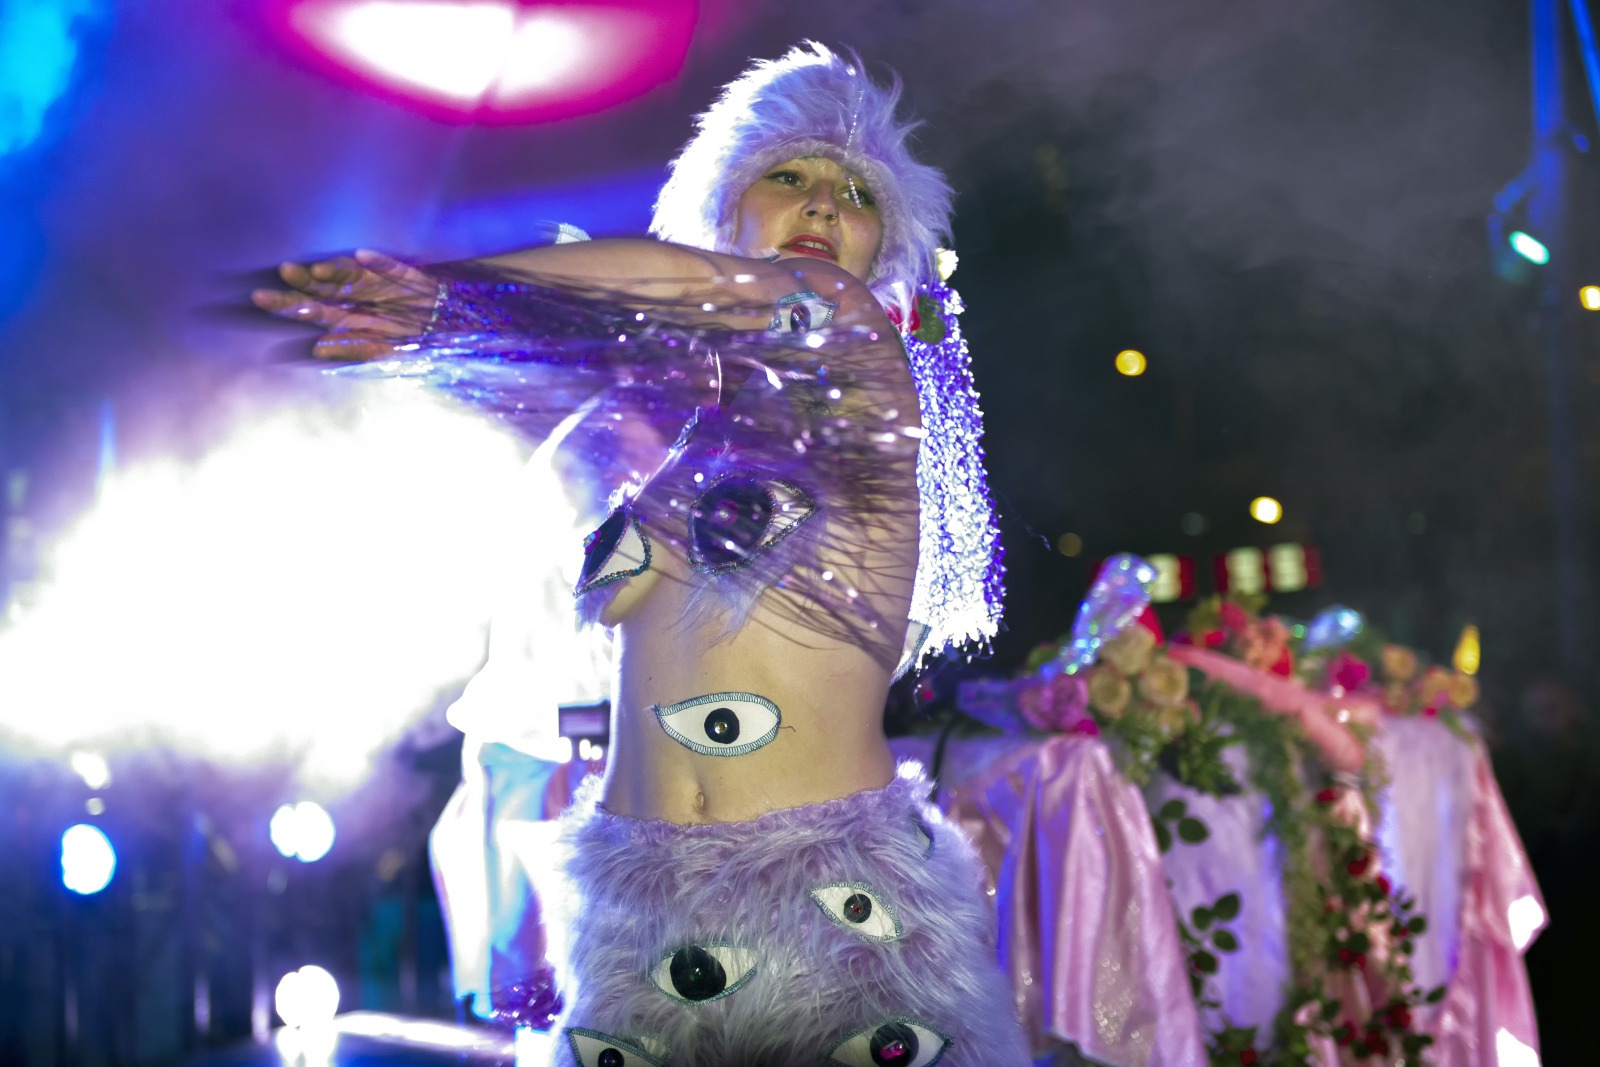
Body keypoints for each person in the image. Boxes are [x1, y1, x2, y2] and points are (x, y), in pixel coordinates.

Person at [256, 42, 1025, 1067]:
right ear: (727, 204)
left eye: (855, 196)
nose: (823, 208)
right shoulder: (677, 451)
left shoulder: (850, 340)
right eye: (788, 175)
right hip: (639, 928)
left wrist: (461, 302)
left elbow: (687, 287)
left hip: (837, 924)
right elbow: (568, 627)